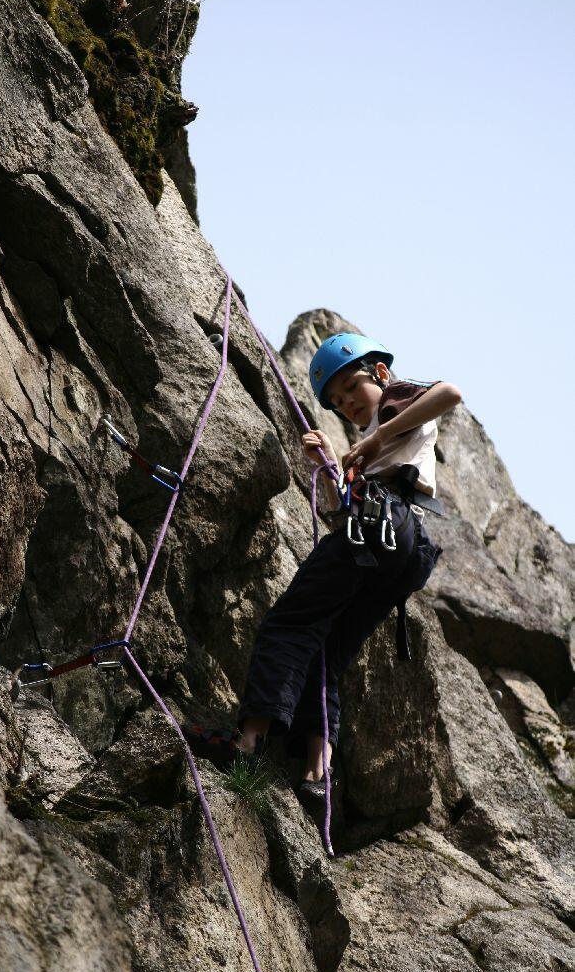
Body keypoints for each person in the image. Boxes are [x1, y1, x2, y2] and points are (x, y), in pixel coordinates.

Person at [186, 333, 461, 802]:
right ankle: (319, 774)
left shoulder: (395, 400)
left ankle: (248, 742)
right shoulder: (378, 443)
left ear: (379, 373)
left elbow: (449, 393)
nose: (347, 402)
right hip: (401, 549)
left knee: (290, 622)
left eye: (352, 387)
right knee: (328, 651)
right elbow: (339, 514)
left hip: (382, 526)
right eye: (337, 401)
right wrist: (331, 463)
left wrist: (375, 438)